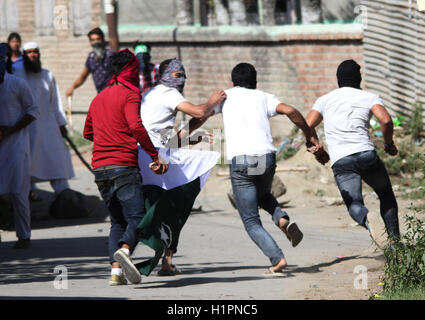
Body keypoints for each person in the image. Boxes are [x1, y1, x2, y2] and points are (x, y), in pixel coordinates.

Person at [212, 63, 323, 277]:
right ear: (255, 82)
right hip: (266, 158)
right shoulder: (264, 96)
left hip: (242, 161)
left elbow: (201, 115)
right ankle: (281, 217)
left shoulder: (225, 97)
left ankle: (277, 259)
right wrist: (310, 136)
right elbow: (290, 110)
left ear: (233, 82)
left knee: (251, 221)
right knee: (262, 194)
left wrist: (180, 138)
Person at [83, 49, 168, 286]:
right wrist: (154, 153)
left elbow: (87, 131)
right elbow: (136, 126)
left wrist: (107, 136)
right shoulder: (130, 94)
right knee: (138, 216)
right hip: (123, 165)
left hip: (100, 168)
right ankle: (126, 248)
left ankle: (116, 273)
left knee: (117, 221)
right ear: (130, 70)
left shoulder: (98, 97)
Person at [134, 58, 226, 277]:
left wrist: (204, 117)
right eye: (176, 74)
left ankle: (166, 261)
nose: (181, 79)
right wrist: (212, 102)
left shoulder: (150, 93)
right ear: (164, 75)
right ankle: (146, 253)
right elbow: (196, 112)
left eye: (182, 74)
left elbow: (179, 135)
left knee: (168, 203)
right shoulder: (168, 93)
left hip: (153, 153)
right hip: (153, 156)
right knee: (177, 201)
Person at [305, 59, 400, 248]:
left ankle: (366, 219)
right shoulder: (370, 97)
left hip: (341, 161)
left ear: (338, 79)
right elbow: (386, 121)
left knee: (354, 203)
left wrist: (316, 146)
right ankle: (395, 243)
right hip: (366, 155)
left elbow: (307, 125)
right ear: (359, 78)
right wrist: (388, 144)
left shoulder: (324, 100)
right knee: (385, 194)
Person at [14, 42, 75, 199]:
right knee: (26, 163)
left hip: (48, 126)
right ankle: (28, 194)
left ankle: (64, 195)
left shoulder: (48, 75)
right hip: (26, 126)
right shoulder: (16, 74)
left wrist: (61, 123)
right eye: (29, 52)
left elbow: (55, 102)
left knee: (55, 159)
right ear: (24, 55)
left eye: (35, 52)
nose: (33, 55)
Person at [0, 43, 39, 249]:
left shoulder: (17, 84)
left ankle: (24, 235)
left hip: (15, 145)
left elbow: (33, 111)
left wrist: (10, 130)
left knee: (18, 191)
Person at [66, 27, 114, 97]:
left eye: (98, 39)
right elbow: (83, 76)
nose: (95, 42)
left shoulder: (111, 55)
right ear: (90, 42)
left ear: (103, 40)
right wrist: (72, 87)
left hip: (113, 94)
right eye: (93, 40)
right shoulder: (91, 58)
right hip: (101, 95)